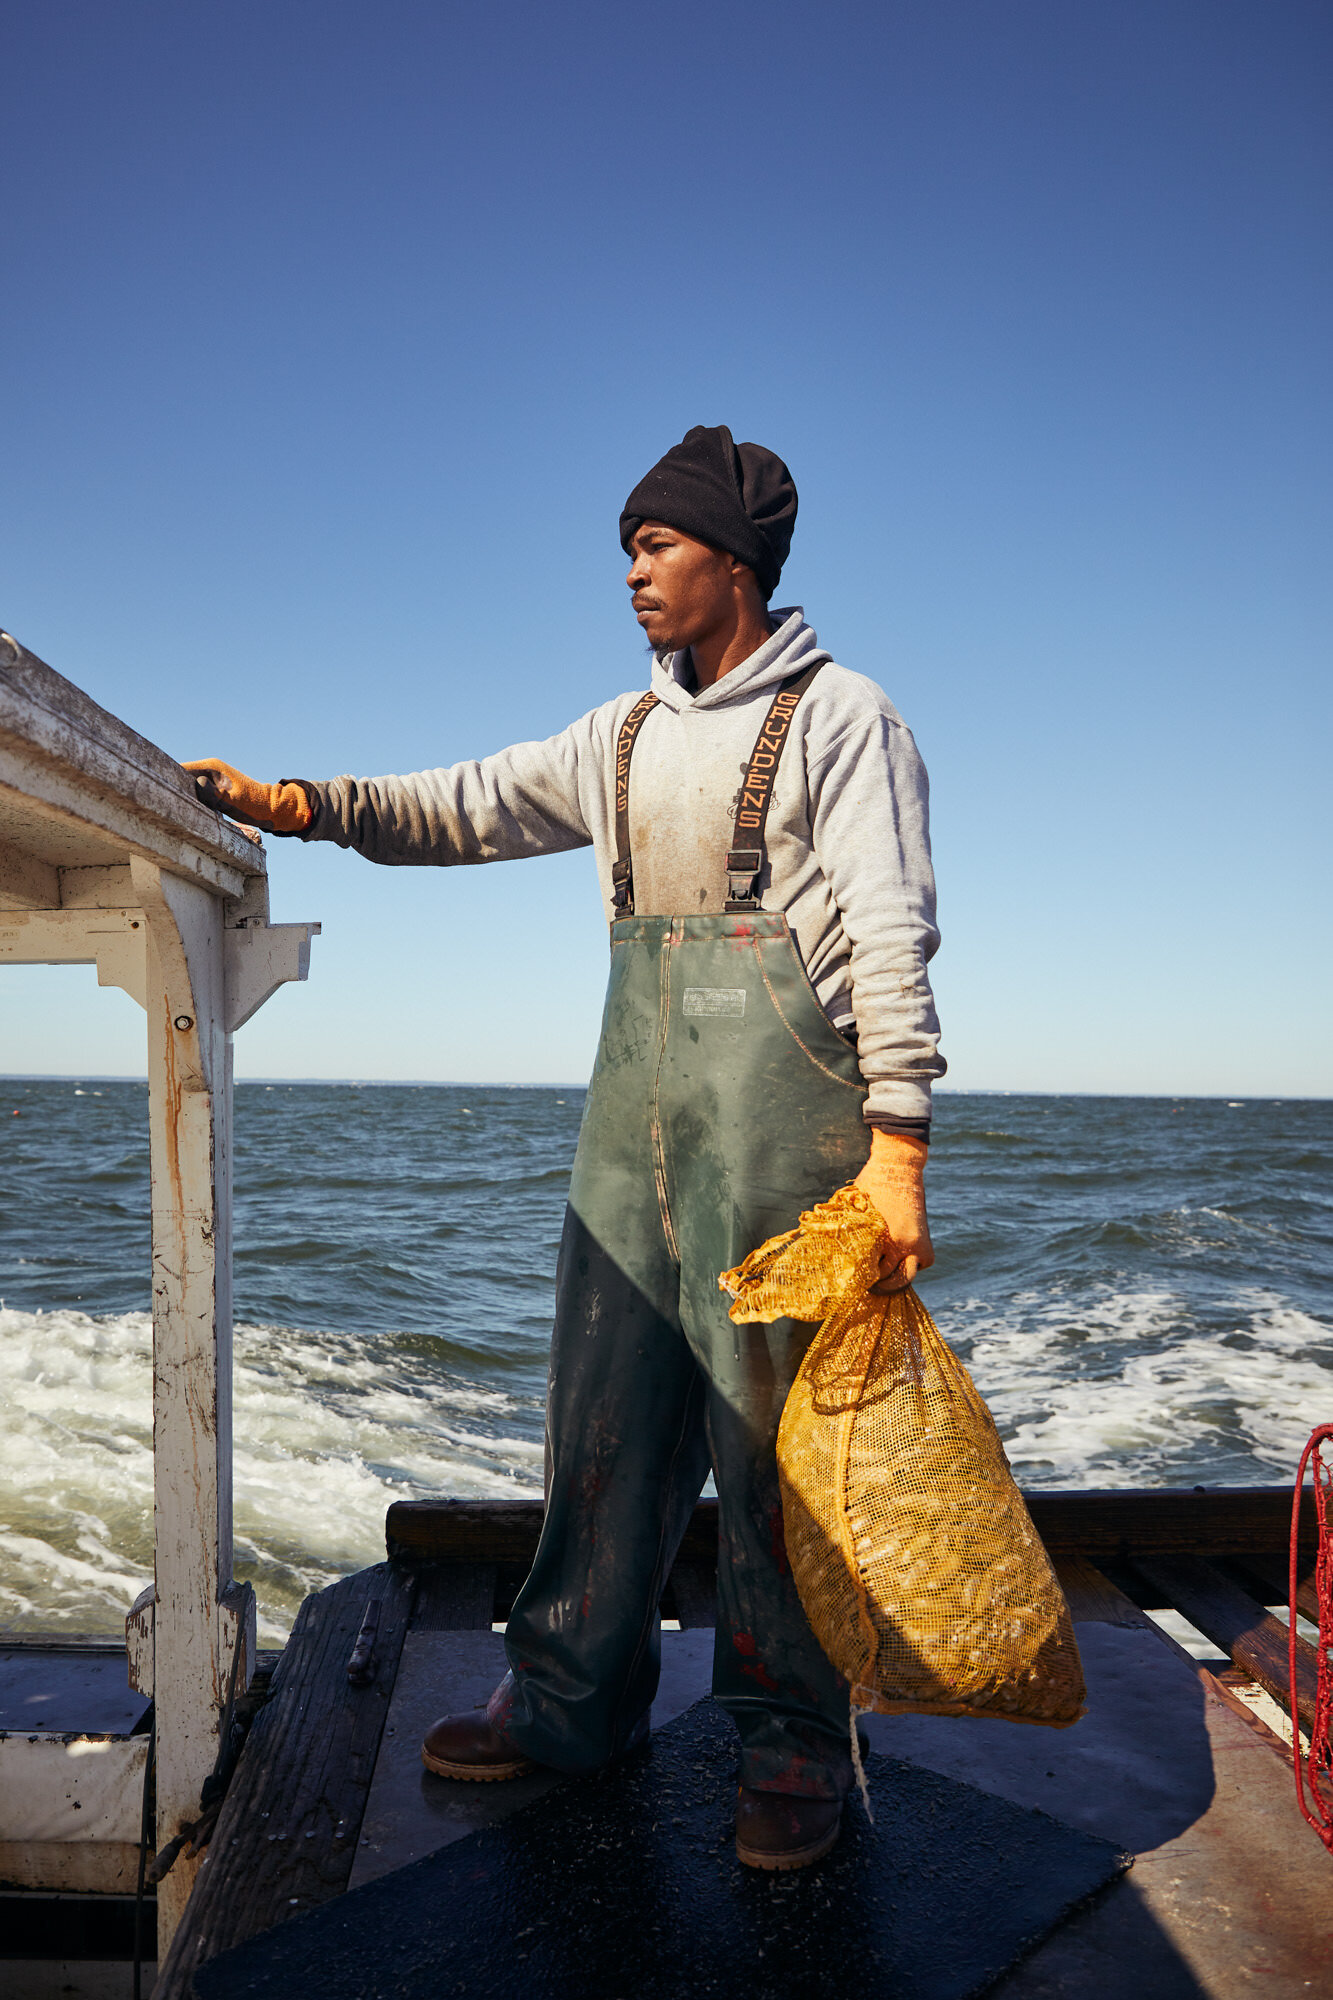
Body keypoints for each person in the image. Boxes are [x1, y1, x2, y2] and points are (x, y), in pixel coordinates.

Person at [187, 423, 944, 1871]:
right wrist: (305, 805)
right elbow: (464, 805)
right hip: (630, 1129)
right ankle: (567, 1702)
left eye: (655, 547)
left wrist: (898, 1142)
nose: (633, 575)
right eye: (627, 550)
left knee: (775, 1449)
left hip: (789, 1133)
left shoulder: (847, 719)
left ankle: (790, 1747)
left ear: (735, 560)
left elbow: (895, 930)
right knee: (596, 1421)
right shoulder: (622, 736)